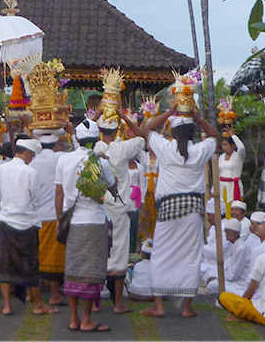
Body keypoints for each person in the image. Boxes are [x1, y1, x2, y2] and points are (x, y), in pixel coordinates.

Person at [139, 104, 218, 320]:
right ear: (192, 132)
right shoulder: (200, 151)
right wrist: (199, 118)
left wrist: (168, 112)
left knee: (161, 256)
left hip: (168, 211)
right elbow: (215, 136)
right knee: (190, 258)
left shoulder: (165, 148)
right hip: (193, 212)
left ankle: (159, 306)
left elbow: (147, 128)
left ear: (172, 132)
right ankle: (186, 307)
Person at [55, 117, 118, 333]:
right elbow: (112, 187)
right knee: (91, 273)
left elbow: (59, 192)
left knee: (72, 270)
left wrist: (59, 219)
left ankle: (73, 319)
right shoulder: (101, 162)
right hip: (94, 222)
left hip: (72, 221)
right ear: (96, 139)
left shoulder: (64, 160)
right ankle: (87, 319)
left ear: (78, 140)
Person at [0, 138, 56, 316]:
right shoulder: (30, 172)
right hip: (27, 222)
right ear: (27, 153)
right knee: (30, 265)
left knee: (5, 264)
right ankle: (37, 304)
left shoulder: (1, 169)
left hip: (6, 220)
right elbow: (36, 199)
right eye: (32, 156)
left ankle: (7, 305)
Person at [95, 109, 146, 314]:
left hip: (99, 209)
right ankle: (117, 304)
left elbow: (78, 134)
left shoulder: (93, 147)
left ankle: (96, 303)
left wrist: (97, 114)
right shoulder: (123, 147)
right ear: (117, 130)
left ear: (99, 129)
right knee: (119, 253)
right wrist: (126, 119)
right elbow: (142, 136)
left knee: (100, 252)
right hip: (120, 208)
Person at [29, 129, 68, 306]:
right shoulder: (58, 158)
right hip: (53, 213)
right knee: (53, 257)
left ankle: (31, 294)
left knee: (36, 254)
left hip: (36, 214)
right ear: (56, 144)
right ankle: (54, 294)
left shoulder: (33, 162)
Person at [218, 133, 246, 205]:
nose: (224, 147)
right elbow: (217, 173)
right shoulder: (221, 157)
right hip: (221, 187)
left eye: (226, 144)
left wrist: (233, 136)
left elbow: (242, 148)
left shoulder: (239, 156)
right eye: (222, 144)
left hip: (234, 187)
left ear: (232, 145)